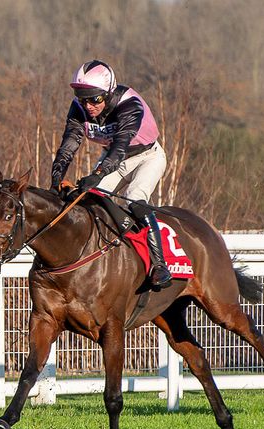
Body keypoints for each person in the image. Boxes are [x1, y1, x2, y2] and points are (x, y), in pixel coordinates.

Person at [50, 60, 172, 289]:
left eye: (95, 98)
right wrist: (55, 180)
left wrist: (97, 174)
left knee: (136, 199)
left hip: (147, 157)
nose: (88, 106)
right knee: (88, 200)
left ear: (109, 92)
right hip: (114, 159)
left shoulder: (129, 105)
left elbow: (120, 146)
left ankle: (159, 264)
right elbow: (68, 146)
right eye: (82, 98)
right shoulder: (78, 108)